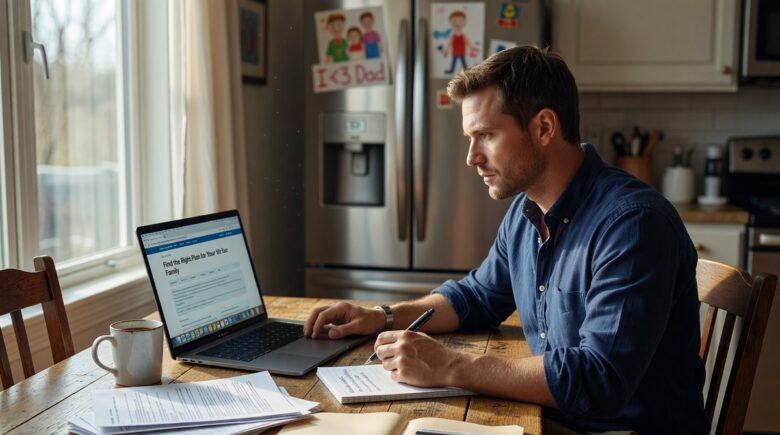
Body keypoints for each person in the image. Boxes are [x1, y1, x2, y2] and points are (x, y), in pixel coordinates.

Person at [304, 46, 708, 434]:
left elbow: (597, 380)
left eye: (485, 135)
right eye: (469, 138)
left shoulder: (633, 224)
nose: (471, 157)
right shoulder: (526, 210)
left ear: (544, 127)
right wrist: (382, 316)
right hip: (557, 418)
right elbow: (477, 298)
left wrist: (449, 365)